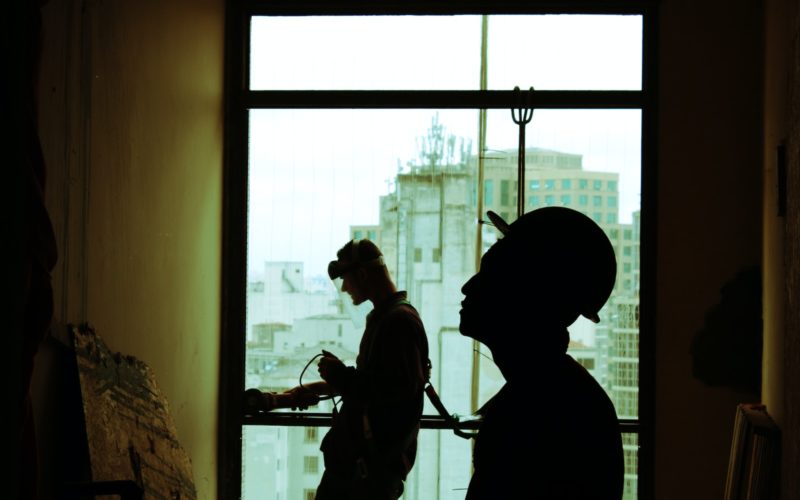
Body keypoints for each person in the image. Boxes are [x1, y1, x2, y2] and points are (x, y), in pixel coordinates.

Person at [459, 207, 624, 499]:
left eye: (491, 276)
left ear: (527, 295)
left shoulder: (538, 410)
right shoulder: (563, 398)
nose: (468, 287)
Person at [284, 238, 429, 500]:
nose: (345, 288)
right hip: (362, 469)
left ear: (362, 274)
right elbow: (376, 383)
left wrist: (339, 375)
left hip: (366, 474)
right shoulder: (389, 318)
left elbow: (393, 391)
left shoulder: (397, 322)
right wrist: (321, 385)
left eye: (345, 280)